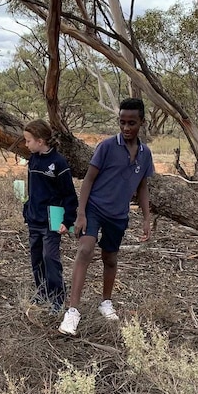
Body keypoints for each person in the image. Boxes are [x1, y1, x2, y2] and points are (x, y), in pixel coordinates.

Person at [58, 98, 154, 336]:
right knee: (85, 250)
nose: (126, 128)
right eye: (122, 122)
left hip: (118, 215)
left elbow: (142, 187)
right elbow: (88, 179)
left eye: (131, 123)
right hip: (94, 209)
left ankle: (106, 302)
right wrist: (80, 214)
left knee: (110, 258)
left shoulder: (145, 154)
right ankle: (72, 311)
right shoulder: (107, 146)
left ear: (142, 122)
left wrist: (146, 217)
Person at [22, 119, 78, 314]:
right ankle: (42, 291)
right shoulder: (33, 160)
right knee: (36, 257)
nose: (26, 144)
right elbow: (32, 189)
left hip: (51, 222)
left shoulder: (58, 163)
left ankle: (57, 297)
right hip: (34, 219)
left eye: (28, 141)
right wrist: (27, 209)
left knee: (50, 257)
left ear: (40, 141)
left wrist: (68, 220)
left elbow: (69, 195)